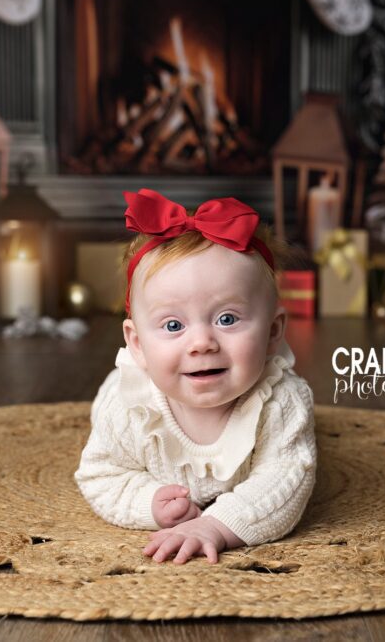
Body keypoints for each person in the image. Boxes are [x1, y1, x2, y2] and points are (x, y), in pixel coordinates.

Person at [74, 188, 317, 565]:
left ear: (273, 332)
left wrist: (216, 525)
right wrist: (148, 501)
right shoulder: (127, 407)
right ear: (137, 344)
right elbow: (100, 475)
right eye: (173, 325)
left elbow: (286, 479)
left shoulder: (280, 401)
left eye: (227, 319)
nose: (202, 343)